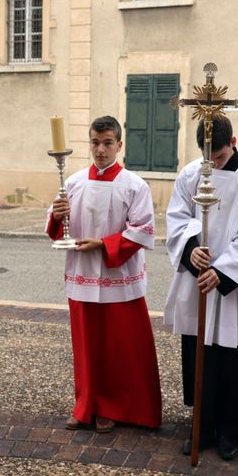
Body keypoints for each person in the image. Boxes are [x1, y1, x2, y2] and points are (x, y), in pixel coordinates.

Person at [164, 117, 238, 460]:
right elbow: (177, 216)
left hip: (236, 287)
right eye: (208, 157)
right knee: (203, 357)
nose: (214, 165)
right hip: (199, 278)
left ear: (234, 142)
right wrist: (189, 248)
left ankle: (235, 430)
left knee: (237, 361)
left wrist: (223, 273)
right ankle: (204, 425)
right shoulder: (190, 174)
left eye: (221, 157)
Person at [47, 115, 161, 433]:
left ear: (119, 145)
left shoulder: (135, 185)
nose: (100, 150)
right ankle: (86, 405)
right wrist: (58, 217)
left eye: (108, 143)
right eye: (95, 142)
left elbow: (143, 230)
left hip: (118, 277)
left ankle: (113, 407)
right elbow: (56, 229)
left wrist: (103, 245)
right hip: (82, 275)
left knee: (119, 348)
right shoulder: (73, 182)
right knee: (86, 347)